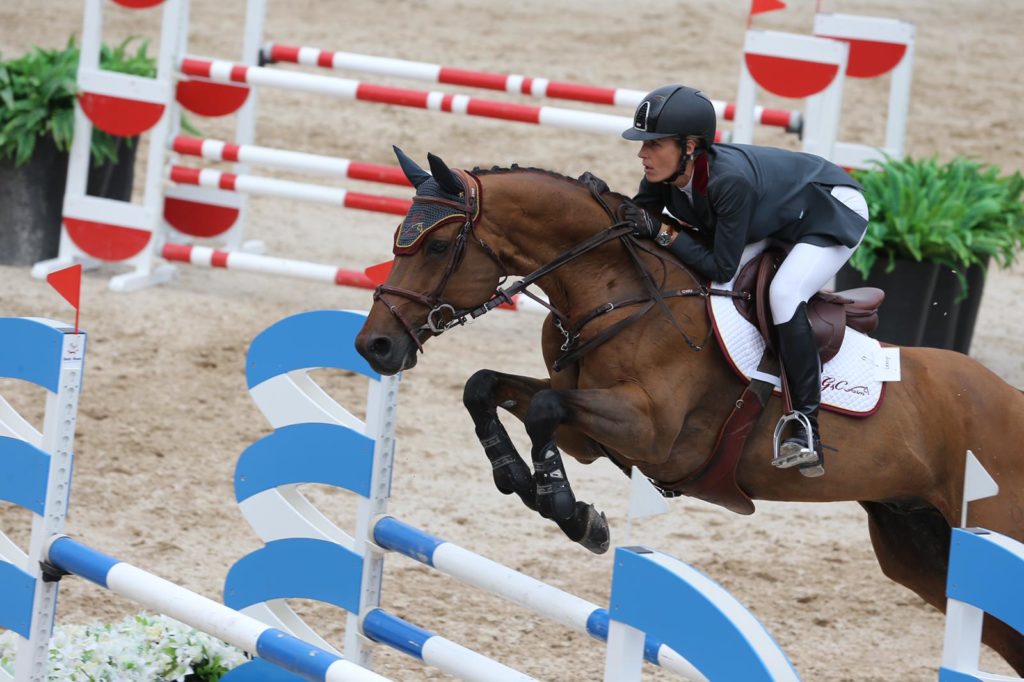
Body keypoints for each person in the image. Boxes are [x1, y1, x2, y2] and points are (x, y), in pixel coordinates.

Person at [620, 84, 869, 475]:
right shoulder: (664, 175)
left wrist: (665, 233)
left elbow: (718, 265)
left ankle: (805, 426)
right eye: (643, 143)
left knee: (784, 294)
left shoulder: (727, 182)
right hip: (772, 215)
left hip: (829, 211)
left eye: (655, 144)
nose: (642, 153)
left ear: (690, 146)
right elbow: (636, 219)